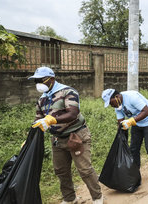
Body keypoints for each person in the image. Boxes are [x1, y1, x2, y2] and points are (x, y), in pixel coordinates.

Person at [29, 67, 103, 204]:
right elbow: (37, 120)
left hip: (76, 136)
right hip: (57, 140)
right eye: (36, 81)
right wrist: (29, 140)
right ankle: (70, 199)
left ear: (51, 79)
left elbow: (72, 113)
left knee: (85, 169)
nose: (38, 84)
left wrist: (52, 119)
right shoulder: (42, 99)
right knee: (61, 171)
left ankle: (97, 197)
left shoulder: (67, 91)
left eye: (40, 80)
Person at [102, 89, 148, 184]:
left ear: (116, 97)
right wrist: (121, 135)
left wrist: (130, 121)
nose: (111, 105)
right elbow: (120, 121)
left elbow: (146, 111)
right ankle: (135, 174)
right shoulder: (117, 105)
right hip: (136, 124)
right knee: (133, 149)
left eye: (110, 102)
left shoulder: (132, 97)